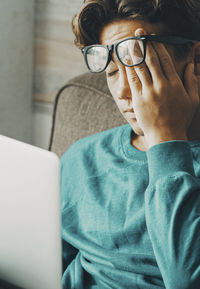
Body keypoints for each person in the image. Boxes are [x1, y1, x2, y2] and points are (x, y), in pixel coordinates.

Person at [60, 0, 200, 288]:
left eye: (139, 65)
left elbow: (186, 280)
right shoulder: (82, 159)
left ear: (196, 59)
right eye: (112, 72)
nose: (123, 90)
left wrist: (166, 135)